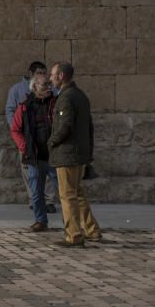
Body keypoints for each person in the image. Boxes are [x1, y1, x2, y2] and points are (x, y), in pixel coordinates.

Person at [48, 61, 102, 247]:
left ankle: (73, 235)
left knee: (68, 195)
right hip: (79, 154)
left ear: (61, 76)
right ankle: (91, 229)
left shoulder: (66, 97)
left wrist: (51, 142)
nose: (50, 78)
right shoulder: (81, 96)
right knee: (77, 193)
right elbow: (90, 127)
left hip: (67, 154)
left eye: (52, 74)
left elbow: (65, 126)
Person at [5, 61, 56, 214]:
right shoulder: (16, 90)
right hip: (28, 140)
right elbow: (10, 110)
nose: (43, 75)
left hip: (47, 142)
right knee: (30, 174)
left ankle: (48, 201)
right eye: (39, 72)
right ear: (31, 73)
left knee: (49, 174)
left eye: (44, 72)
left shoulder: (52, 94)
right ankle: (35, 201)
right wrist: (20, 136)